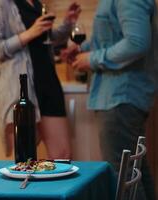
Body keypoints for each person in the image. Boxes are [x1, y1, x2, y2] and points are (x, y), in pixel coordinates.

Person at [62, 0, 157, 199]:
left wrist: (93, 58)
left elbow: (137, 42)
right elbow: (111, 38)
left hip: (120, 96)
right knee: (136, 172)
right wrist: (84, 49)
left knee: (124, 176)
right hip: (119, 96)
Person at [0, 0, 81, 159]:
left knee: (63, 155)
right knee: (23, 158)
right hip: (20, 88)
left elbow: (46, 38)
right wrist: (28, 34)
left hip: (48, 82)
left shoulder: (36, 3)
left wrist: (67, 23)